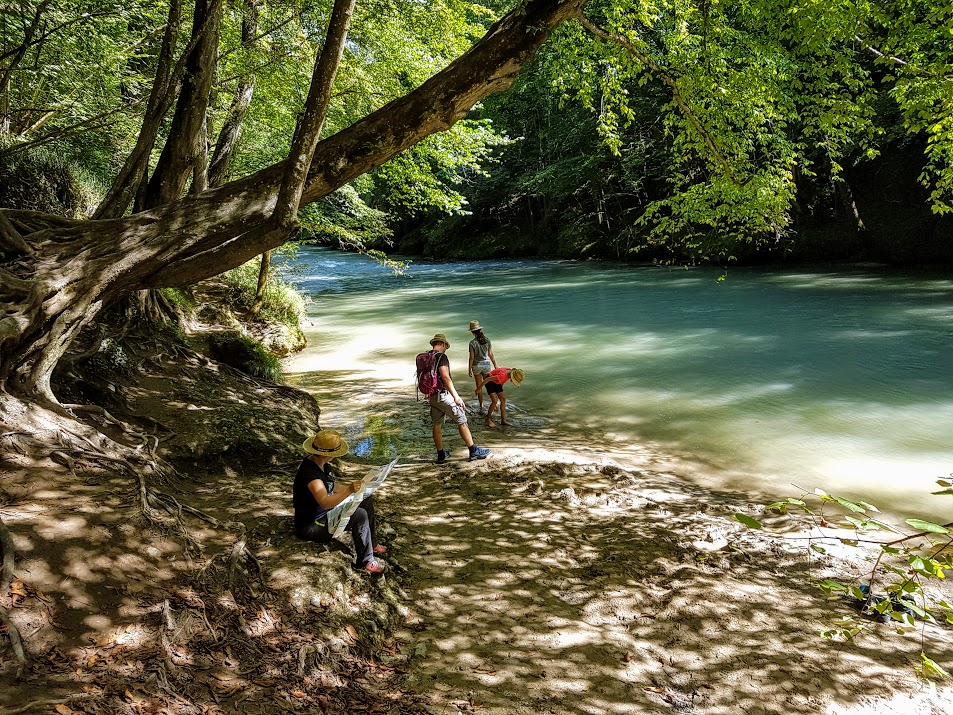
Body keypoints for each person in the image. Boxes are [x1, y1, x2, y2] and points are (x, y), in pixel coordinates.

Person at [293, 429, 387, 574]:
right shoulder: (311, 475)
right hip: (313, 525)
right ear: (326, 453)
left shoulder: (322, 464)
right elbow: (325, 502)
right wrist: (349, 490)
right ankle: (364, 562)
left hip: (326, 514)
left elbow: (332, 486)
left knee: (365, 499)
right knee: (359, 514)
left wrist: (357, 490)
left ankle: (372, 544)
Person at [426, 333, 490, 464]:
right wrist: (456, 396)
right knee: (462, 419)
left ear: (433, 343)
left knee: (437, 424)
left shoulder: (426, 356)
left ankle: (441, 454)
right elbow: (445, 377)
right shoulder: (441, 357)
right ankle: (473, 451)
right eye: (445, 346)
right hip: (442, 395)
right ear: (443, 344)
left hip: (431, 395)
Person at [467, 320, 497, 414]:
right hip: (487, 365)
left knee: (479, 386)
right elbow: (490, 354)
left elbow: (471, 358)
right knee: (489, 385)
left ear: (472, 332)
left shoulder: (472, 343)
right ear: (480, 329)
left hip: (476, 366)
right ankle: (495, 403)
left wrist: (469, 369)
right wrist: (495, 364)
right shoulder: (487, 340)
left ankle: (481, 405)